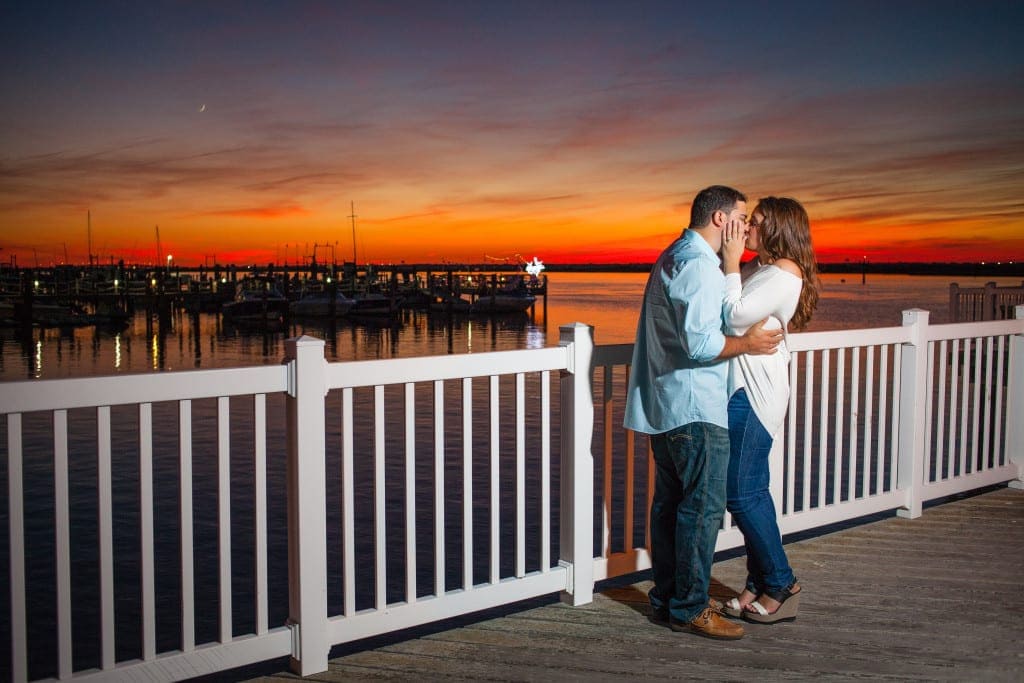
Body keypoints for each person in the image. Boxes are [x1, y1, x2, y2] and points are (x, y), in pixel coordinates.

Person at [623, 185, 783, 640]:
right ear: (720, 219)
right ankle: (691, 608)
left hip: (668, 404)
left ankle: (669, 599)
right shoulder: (699, 267)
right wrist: (748, 344)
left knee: (671, 507)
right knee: (702, 510)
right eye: (742, 216)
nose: (748, 226)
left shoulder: (674, 255)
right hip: (696, 407)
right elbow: (701, 344)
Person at [718, 197, 820, 623]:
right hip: (744, 390)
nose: (746, 229)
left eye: (754, 223)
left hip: (754, 396)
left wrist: (729, 262)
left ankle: (782, 582)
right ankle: (759, 583)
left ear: (777, 228)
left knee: (740, 493)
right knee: (752, 488)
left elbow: (733, 317)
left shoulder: (783, 273)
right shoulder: (764, 270)